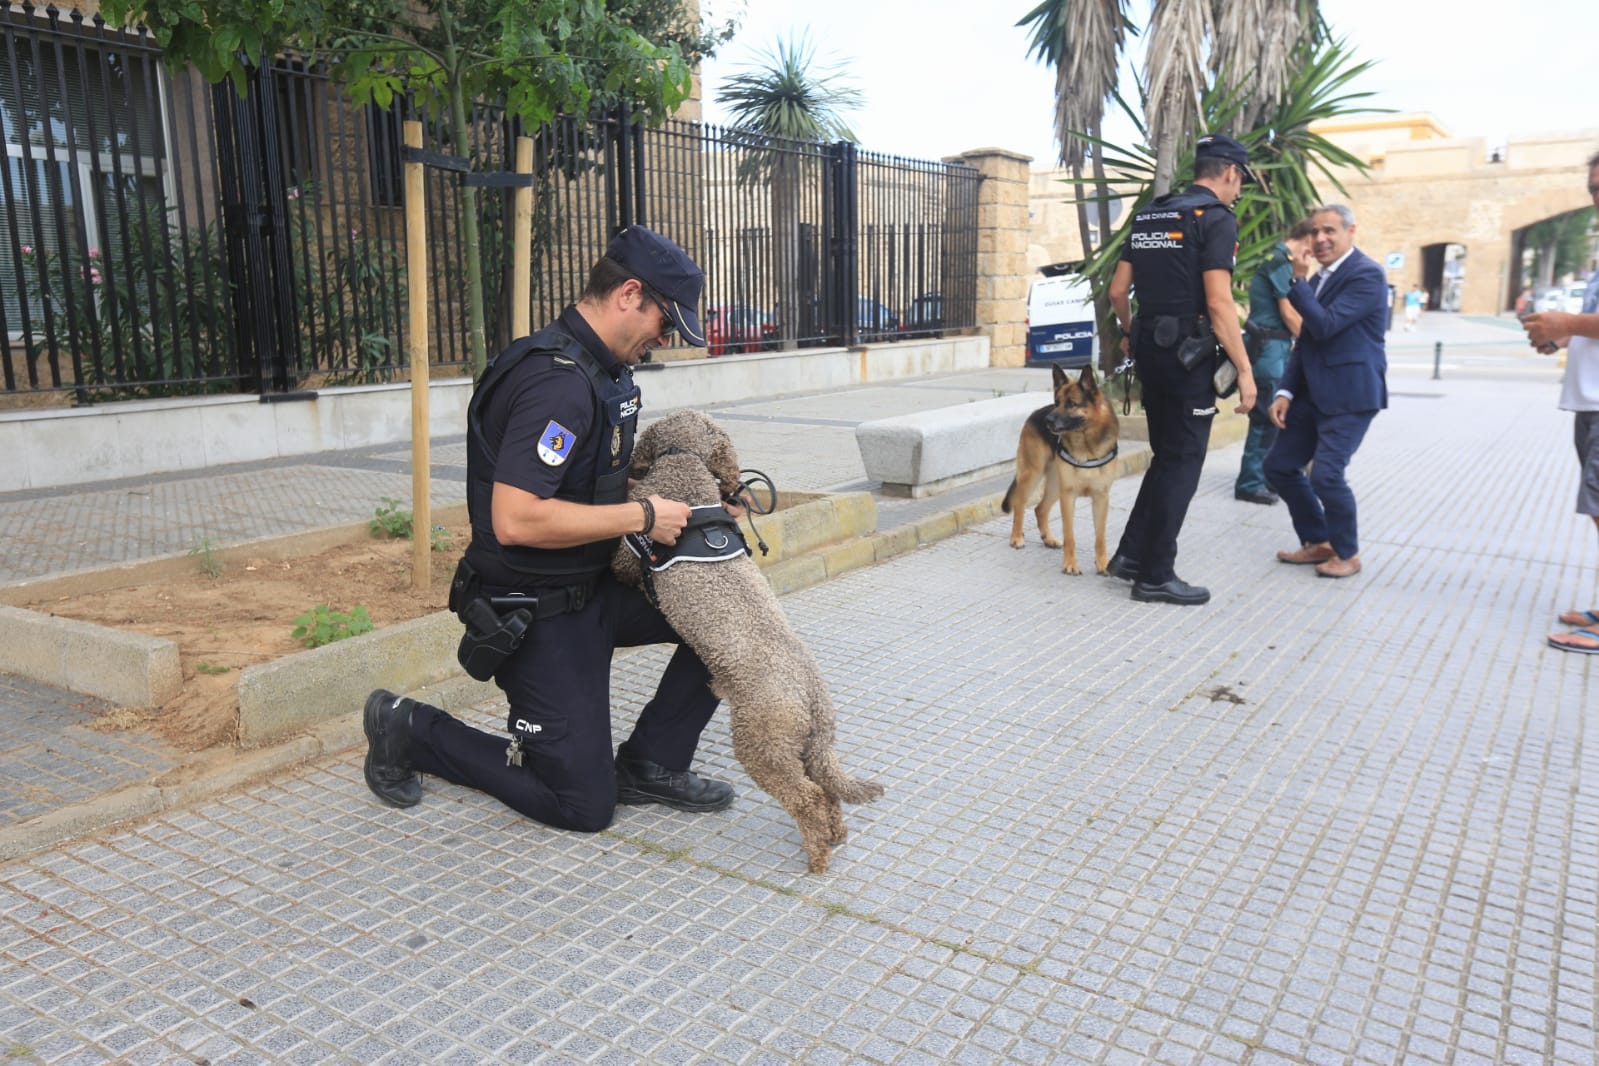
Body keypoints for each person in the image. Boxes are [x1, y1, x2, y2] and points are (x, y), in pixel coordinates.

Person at [362, 225, 737, 829]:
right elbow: (515, 519)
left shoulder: (602, 372)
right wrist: (644, 517)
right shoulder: (557, 384)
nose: (663, 340)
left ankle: (653, 763)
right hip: (537, 610)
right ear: (628, 295)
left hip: (594, 589)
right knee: (582, 806)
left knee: (729, 616)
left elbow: (591, 483)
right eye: (664, 323)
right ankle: (408, 728)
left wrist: (707, 504)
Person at [1104, 132, 1258, 606]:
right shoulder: (1216, 219)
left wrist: (1130, 331)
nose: (1238, 190)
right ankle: (1155, 576)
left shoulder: (1152, 212)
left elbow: (1117, 291)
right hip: (1188, 356)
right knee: (1184, 461)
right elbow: (1220, 303)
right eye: (1240, 181)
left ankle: (1130, 557)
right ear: (1230, 172)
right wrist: (1245, 369)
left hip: (1149, 347)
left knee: (1167, 456)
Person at [1263, 204, 1389, 579]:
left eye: (1329, 231)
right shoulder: (1318, 280)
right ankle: (1318, 540)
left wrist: (1298, 283)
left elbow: (1326, 325)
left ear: (1351, 231)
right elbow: (1306, 341)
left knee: (1327, 476)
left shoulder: (1366, 274)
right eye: (1315, 232)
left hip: (1351, 394)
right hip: (1311, 394)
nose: (1320, 239)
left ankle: (1348, 553)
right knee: (1279, 466)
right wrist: (1285, 391)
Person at [1521, 148, 1599, 655]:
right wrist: (1561, 337)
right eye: (1593, 188)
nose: (1596, 197)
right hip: (1588, 401)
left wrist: (1567, 323)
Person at [1236, 219, 1315, 505]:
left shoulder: (1281, 259)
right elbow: (1289, 313)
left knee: (1275, 417)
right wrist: (1315, 342)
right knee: (1265, 418)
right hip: (1269, 349)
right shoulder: (1281, 261)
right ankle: (1250, 483)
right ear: (1307, 239)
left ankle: (1266, 476)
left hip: (1275, 348)